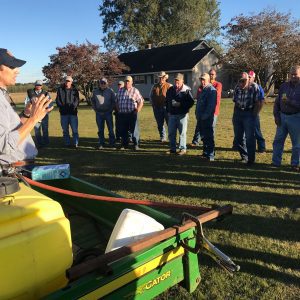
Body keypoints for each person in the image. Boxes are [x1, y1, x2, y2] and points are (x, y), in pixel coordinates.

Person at [0, 48, 53, 165]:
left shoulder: (3, 94)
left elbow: (10, 129)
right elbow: (3, 145)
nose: (17, 71)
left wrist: (27, 114)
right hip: (11, 173)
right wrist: (34, 119)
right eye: (12, 66)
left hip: (19, 169)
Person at [272, 65, 300, 171]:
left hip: (296, 117)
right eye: (291, 74)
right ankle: (275, 162)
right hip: (282, 117)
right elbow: (277, 102)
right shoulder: (284, 86)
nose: (293, 76)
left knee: (297, 144)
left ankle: (295, 164)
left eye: (295, 74)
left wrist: (289, 102)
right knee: (278, 141)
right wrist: (276, 115)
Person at [232, 72, 260, 165]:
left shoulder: (254, 87)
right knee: (238, 138)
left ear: (248, 79)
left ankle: (251, 159)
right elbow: (235, 102)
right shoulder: (237, 87)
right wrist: (235, 115)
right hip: (238, 113)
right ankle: (244, 156)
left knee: (250, 137)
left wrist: (254, 115)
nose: (241, 83)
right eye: (240, 81)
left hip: (249, 113)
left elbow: (258, 102)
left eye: (244, 81)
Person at [190, 68, 222, 146]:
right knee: (200, 127)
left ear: (215, 75)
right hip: (201, 111)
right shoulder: (202, 86)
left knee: (210, 128)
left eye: (213, 74)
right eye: (210, 74)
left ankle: (210, 146)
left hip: (213, 110)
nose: (211, 76)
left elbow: (214, 96)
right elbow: (199, 96)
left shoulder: (216, 85)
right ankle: (197, 142)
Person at [165, 73, 194, 155]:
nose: (176, 83)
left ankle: (182, 149)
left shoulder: (186, 90)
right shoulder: (170, 89)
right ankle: (172, 149)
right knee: (171, 132)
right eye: (175, 81)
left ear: (182, 81)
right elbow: (167, 101)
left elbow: (191, 102)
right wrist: (168, 111)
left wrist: (180, 104)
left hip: (182, 115)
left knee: (182, 133)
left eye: (178, 81)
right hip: (172, 115)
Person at [116, 76, 144, 150]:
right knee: (123, 130)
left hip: (132, 114)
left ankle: (136, 144)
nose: (127, 82)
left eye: (128, 81)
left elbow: (141, 101)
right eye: (126, 81)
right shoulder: (120, 90)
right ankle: (124, 144)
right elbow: (116, 101)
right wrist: (118, 110)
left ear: (132, 82)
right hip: (122, 114)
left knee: (134, 130)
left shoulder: (135, 90)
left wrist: (137, 110)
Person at [195, 73, 217, 161]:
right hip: (200, 117)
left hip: (207, 118)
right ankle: (205, 153)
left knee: (209, 136)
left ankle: (211, 155)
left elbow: (211, 106)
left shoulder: (212, 90)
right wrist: (197, 114)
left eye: (204, 79)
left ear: (208, 80)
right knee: (203, 136)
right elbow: (199, 103)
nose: (202, 81)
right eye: (201, 79)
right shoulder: (203, 89)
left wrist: (205, 116)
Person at [25, 80, 52, 148]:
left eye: (40, 85)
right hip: (35, 114)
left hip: (44, 114)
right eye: (37, 85)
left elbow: (50, 102)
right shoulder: (30, 93)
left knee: (45, 129)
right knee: (37, 130)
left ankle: (46, 143)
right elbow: (26, 103)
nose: (38, 86)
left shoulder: (46, 93)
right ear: (35, 85)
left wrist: (47, 111)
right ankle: (39, 143)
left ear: (42, 86)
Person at [91, 78, 116, 149]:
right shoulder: (95, 91)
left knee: (110, 129)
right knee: (100, 130)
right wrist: (96, 110)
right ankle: (101, 143)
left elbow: (113, 102)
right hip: (99, 113)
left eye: (104, 83)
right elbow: (93, 101)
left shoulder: (110, 91)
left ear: (107, 83)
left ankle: (112, 143)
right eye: (101, 83)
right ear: (99, 84)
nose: (103, 84)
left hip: (108, 113)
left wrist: (110, 110)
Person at [55, 76, 80, 148]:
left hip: (73, 113)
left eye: (68, 81)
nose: (67, 82)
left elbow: (77, 100)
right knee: (65, 130)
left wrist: (73, 107)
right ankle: (67, 143)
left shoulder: (75, 90)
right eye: (66, 81)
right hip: (63, 113)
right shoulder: (60, 90)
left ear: (71, 82)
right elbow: (57, 100)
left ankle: (75, 143)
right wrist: (62, 107)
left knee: (74, 130)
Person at [149, 71, 171, 142]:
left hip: (166, 108)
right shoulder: (154, 86)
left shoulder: (169, 86)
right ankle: (162, 137)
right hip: (157, 108)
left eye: (162, 77)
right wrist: (153, 104)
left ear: (165, 78)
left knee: (169, 123)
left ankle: (171, 137)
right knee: (159, 124)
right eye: (160, 78)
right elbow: (150, 96)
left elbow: (172, 96)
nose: (161, 79)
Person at [248, 70, 266, 153]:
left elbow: (261, 101)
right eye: (247, 77)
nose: (248, 78)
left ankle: (261, 147)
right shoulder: (245, 86)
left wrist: (256, 112)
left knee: (256, 131)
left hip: (254, 112)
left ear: (254, 78)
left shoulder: (258, 87)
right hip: (246, 112)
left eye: (250, 77)